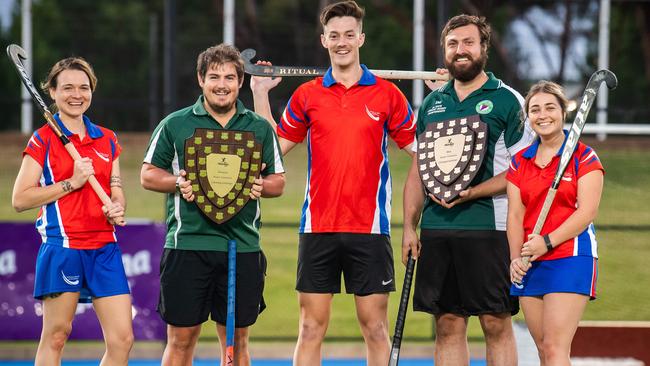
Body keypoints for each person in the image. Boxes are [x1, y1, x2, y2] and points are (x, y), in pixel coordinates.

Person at [250, 1, 416, 364]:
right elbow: (272, 152)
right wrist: (260, 93)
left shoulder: (388, 95)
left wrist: (443, 100)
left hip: (370, 229)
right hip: (318, 227)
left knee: (375, 328)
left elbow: (421, 154)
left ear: (361, 38)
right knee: (310, 327)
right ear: (324, 40)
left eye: (349, 35)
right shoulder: (308, 95)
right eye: (335, 35)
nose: (342, 42)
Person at [402, 14, 536, 366]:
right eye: (452, 44)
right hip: (437, 230)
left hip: (489, 228)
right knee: (447, 325)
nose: (460, 51)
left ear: (483, 48)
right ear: (444, 51)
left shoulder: (507, 100)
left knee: (495, 322)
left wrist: (473, 192)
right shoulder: (432, 104)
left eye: (468, 43)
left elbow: (524, 171)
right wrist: (408, 226)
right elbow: (418, 171)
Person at [141, 43, 285, 366]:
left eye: (230, 77)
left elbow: (279, 181)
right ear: (200, 79)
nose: (222, 84)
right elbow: (148, 174)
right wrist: (177, 182)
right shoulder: (175, 124)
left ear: (240, 81)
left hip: (242, 246)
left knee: (237, 343)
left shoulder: (259, 128)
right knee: (180, 341)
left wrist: (262, 186)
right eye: (214, 76)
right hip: (187, 244)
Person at [11, 57, 132, 365]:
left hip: (104, 248)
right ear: (52, 92)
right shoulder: (42, 139)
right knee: (56, 335)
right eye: (67, 88)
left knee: (122, 339)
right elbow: (21, 199)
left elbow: (115, 188)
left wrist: (116, 205)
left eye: (83, 87)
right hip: (63, 247)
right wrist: (72, 183)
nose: (76, 95)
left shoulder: (107, 138)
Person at [508, 81, 604, 365]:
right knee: (542, 349)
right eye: (534, 109)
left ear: (563, 112)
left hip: (570, 256)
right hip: (529, 260)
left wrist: (546, 241)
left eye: (550, 107)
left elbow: (587, 212)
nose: (543, 115)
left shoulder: (584, 157)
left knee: (554, 348)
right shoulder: (519, 162)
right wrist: (515, 258)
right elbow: (515, 215)